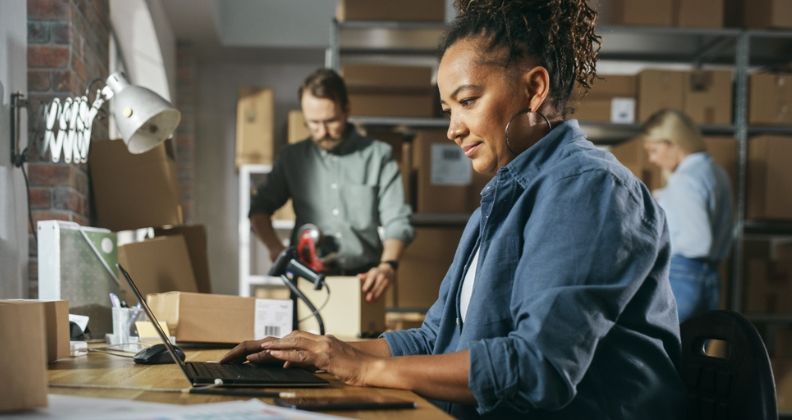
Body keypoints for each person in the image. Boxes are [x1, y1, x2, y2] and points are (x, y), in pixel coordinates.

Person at [223, 1, 686, 418]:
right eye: (447, 109)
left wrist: (360, 369)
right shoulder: (506, 193)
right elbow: (433, 339)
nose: (453, 129)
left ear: (535, 88)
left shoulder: (589, 190)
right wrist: (319, 352)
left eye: (467, 102)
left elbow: (536, 367)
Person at [249, 68, 414, 302]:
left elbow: (397, 220)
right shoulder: (292, 158)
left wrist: (388, 266)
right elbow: (258, 209)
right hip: (306, 281)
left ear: (347, 110)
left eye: (331, 121)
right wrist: (276, 249)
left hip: (363, 283)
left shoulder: (378, 156)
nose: (323, 131)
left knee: (357, 341)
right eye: (313, 123)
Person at [642, 109, 734, 322]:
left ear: (673, 143)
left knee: (666, 349)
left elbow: (699, 242)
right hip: (708, 276)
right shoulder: (716, 173)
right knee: (694, 349)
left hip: (683, 276)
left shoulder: (685, 180)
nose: (652, 159)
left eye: (654, 150)